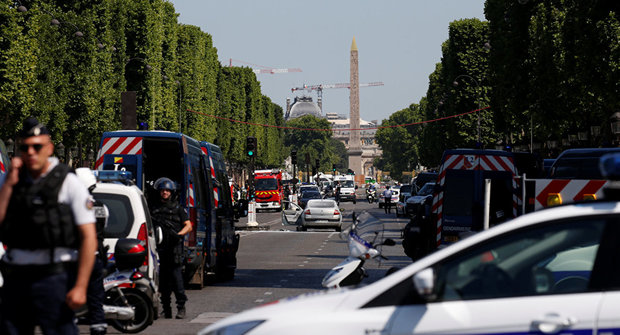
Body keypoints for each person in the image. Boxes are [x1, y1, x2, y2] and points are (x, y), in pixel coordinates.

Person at [0, 117, 97, 335]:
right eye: (25, 148)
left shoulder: (67, 181)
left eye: (37, 146)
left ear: (50, 148)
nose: (31, 152)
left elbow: (88, 236)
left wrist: (81, 286)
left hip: (53, 277)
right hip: (16, 277)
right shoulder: (12, 181)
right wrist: (9, 182)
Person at [150, 177, 192, 319]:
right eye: (163, 190)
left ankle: (181, 308)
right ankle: (166, 309)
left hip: (174, 249)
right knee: (163, 283)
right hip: (159, 249)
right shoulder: (154, 208)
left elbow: (188, 225)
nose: (165, 193)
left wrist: (179, 235)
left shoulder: (178, 208)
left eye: (167, 190)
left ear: (172, 192)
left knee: (177, 280)